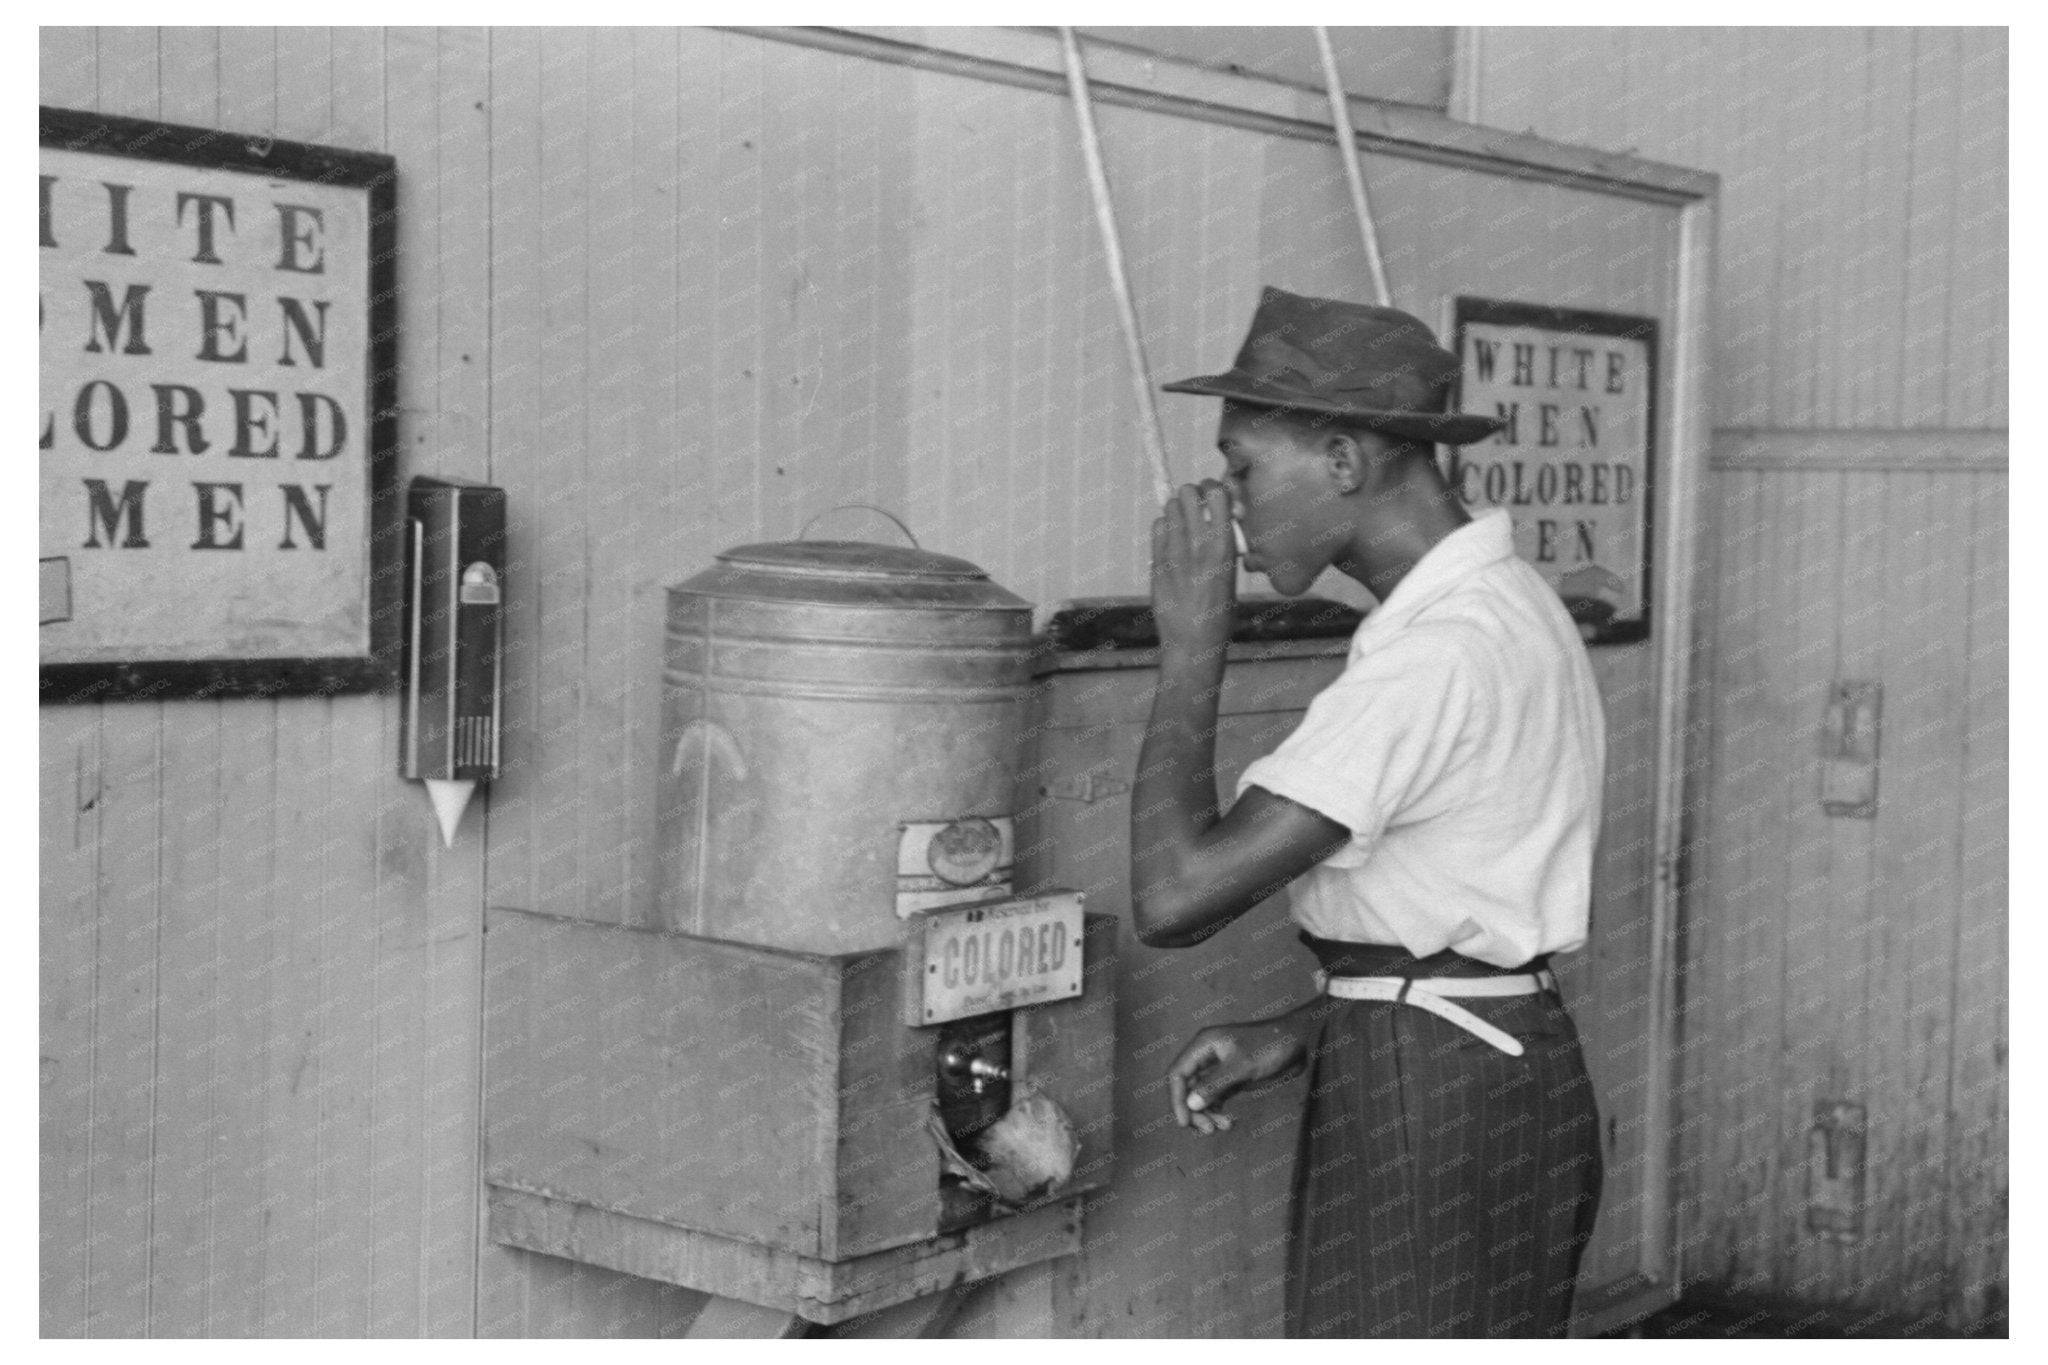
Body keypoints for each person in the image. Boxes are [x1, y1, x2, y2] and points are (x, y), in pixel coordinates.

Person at [1130, 286, 1606, 1338]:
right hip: (1481, 1066)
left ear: (1343, 460)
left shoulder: (1438, 655)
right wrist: (1304, 1032)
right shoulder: (1499, 608)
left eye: (1241, 466)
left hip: (1432, 1104)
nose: (1230, 501)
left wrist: (1191, 649)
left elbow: (1174, 897)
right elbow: (1463, 921)